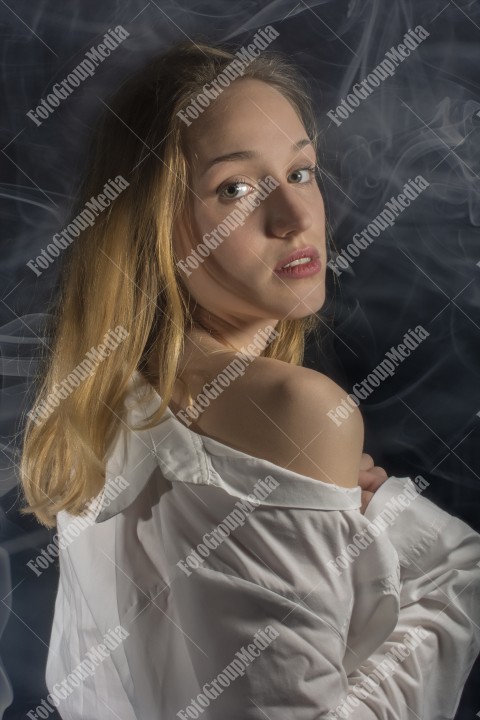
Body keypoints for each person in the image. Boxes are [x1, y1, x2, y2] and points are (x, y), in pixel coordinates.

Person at [19, 38, 480, 719]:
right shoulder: (293, 409)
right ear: (154, 223)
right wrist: (412, 537)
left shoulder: (97, 399)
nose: (296, 219)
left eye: (300, 171)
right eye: (234, 188)